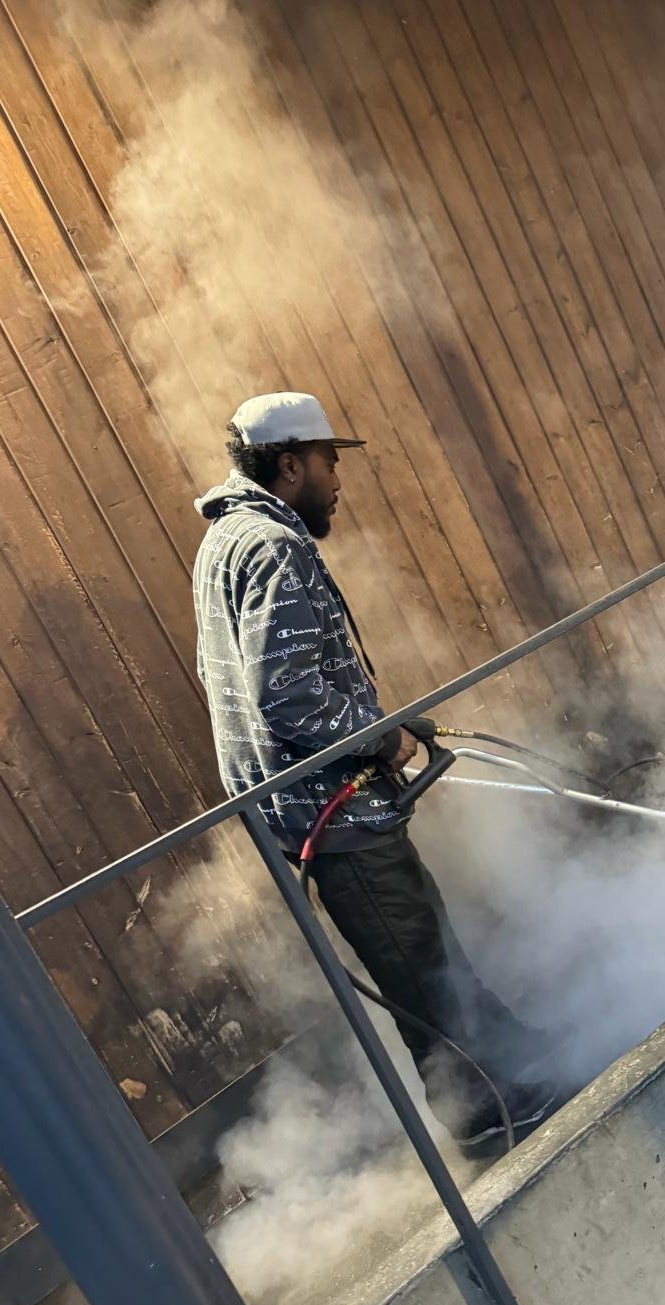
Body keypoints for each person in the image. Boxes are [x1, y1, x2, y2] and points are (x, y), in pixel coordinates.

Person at [192, 392, 558, 1152]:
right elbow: (287, 697)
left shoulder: (226, 541)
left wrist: (384, 725)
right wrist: (377, 738)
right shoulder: (272, 546)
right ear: (289, 465)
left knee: (422, 934)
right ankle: (482, 1111)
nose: (337, 480)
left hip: (316, 802)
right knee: (414, 962)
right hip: (328, 806)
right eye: (328, 461)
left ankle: (505, 1048)